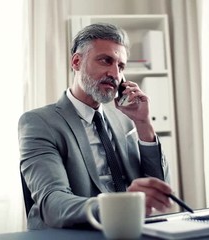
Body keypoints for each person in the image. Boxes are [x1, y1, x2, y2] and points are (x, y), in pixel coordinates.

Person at [18, 22, 173, 230]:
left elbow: (160, 189)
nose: (115, 74)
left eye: (120, 66)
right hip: (74, 233)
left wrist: (144, 124)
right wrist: (121, 206)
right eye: (105, 61)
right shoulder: (39, 123)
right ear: (76, 61)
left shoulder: (125, 119)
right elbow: (53, 204)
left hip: (129, 230)